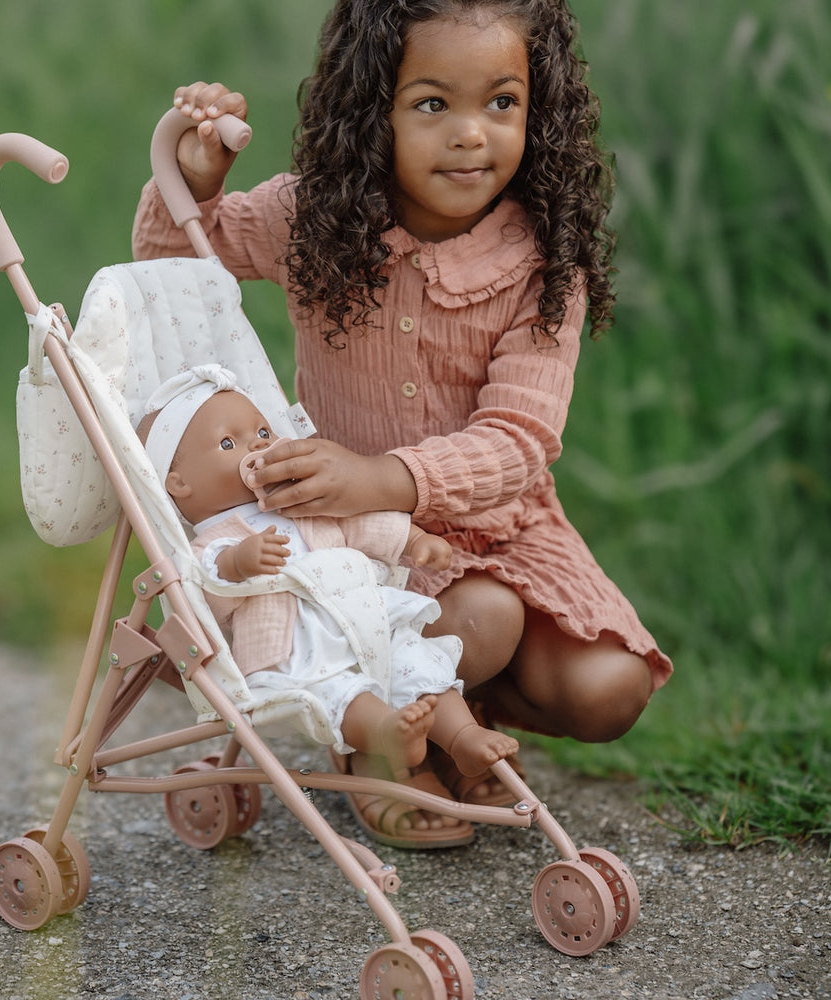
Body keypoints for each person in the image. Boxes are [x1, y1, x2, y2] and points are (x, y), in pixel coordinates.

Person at [132, 0, 673, 849]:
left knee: (608, 686)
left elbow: (518, 443)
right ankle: (375, 746)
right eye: (432, 104)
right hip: (345, 540)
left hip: (501, 530)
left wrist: (383, 476)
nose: (471, 135)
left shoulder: (540, 260)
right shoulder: (317, 217)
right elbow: (165, 288)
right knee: (483, 620)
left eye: (501, 103)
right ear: (370, 108)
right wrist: (194, 183)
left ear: (541, 109)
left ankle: (442, 713)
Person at [139, 365, 519, 847]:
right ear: (180, 485)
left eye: (261, 432)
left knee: (418, 664)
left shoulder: (301, 502)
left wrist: (415, 539)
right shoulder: (214, 541)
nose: (256, 447)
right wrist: (238, 563)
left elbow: (361, 525)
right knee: (340, 692)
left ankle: (463, 738)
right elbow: (198, 593)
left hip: (370, 625)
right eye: (229, 444)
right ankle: (385, 736)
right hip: (300, 652)